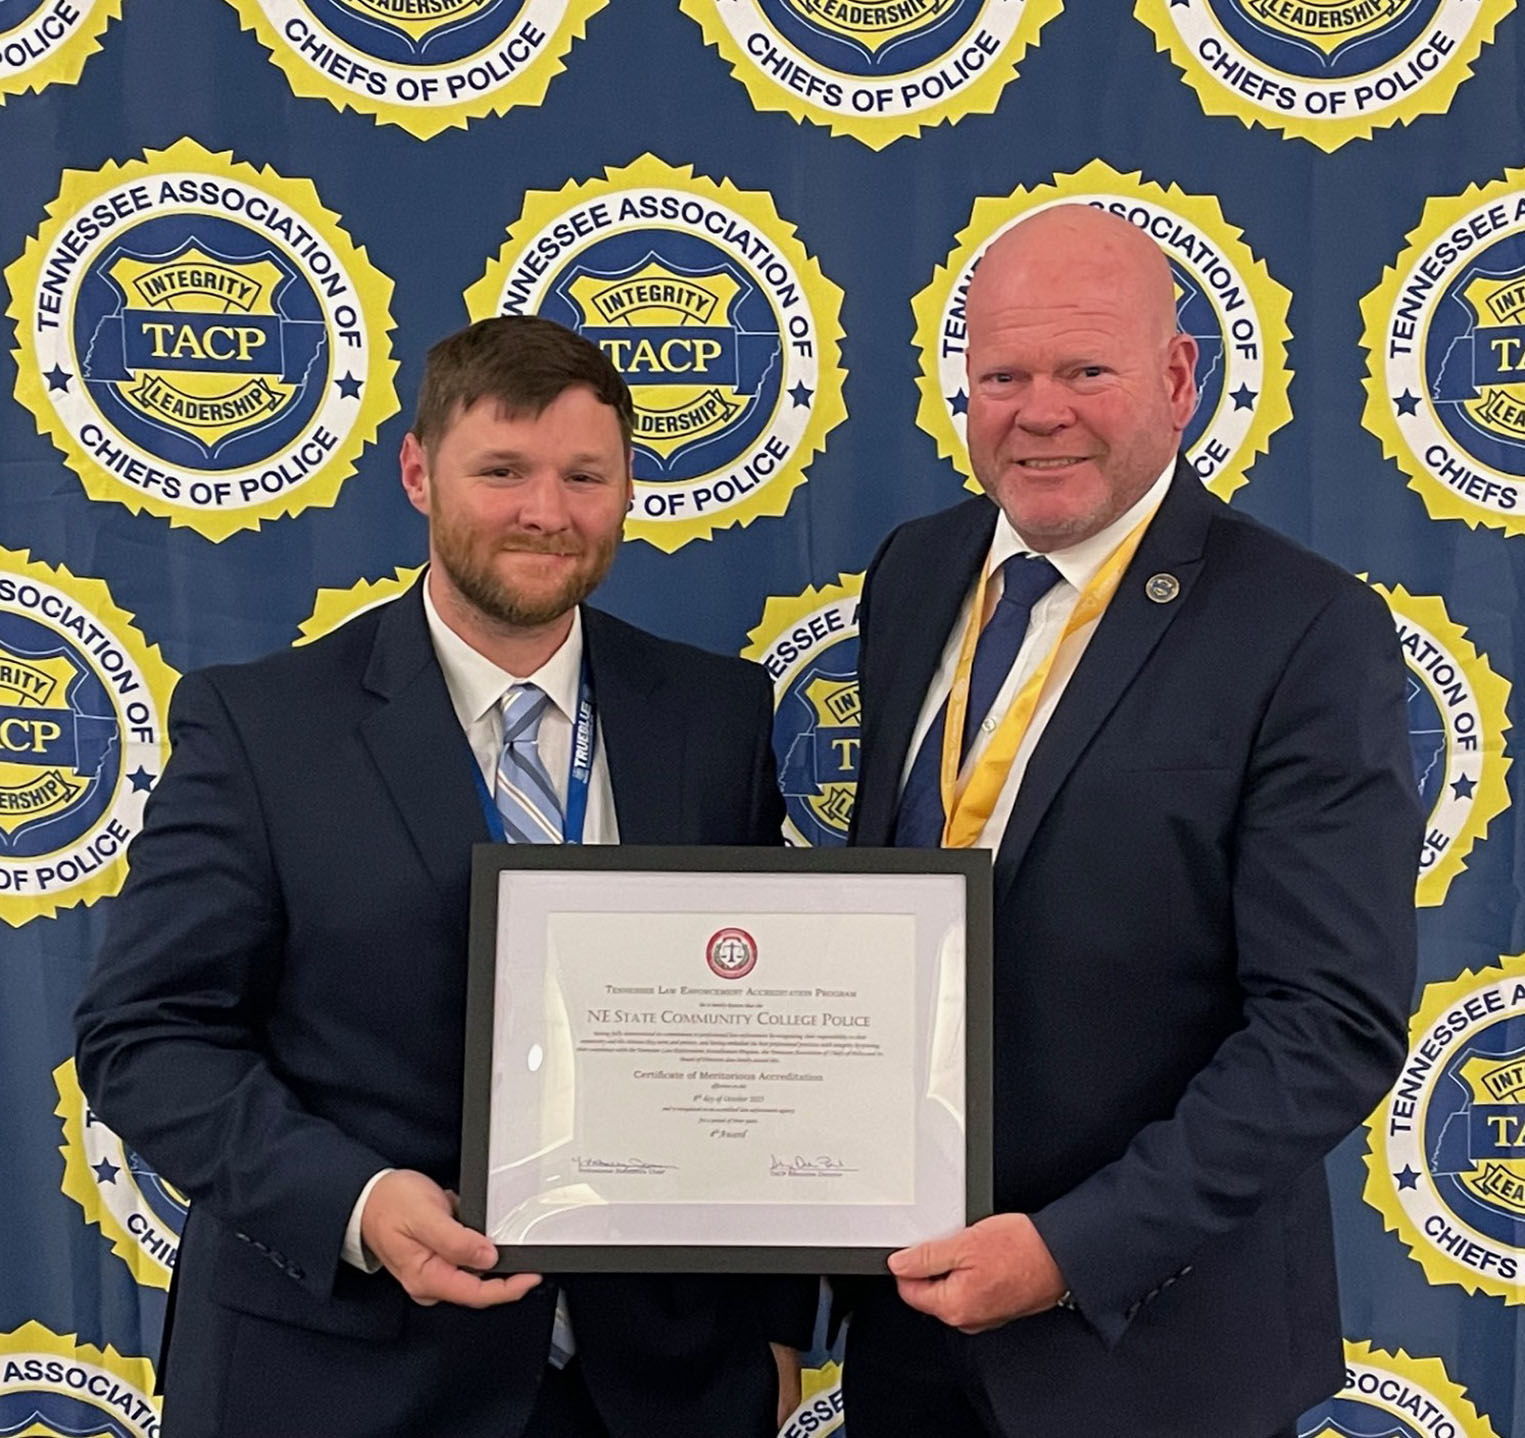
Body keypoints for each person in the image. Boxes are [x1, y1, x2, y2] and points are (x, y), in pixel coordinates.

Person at [75, 316, 812, 1438]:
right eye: (501, 471)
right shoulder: (262, 727)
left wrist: (775, 1319)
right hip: (341, 1378)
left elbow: (763, 1031)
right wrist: (358, 1202)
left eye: (584, 476)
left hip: (655, 1386)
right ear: (419, 473)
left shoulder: (716, 717)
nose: (546, 512)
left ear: (627, 487)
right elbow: (146, 1035)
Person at [840, 205, 1420, 1437]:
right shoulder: (915, 572)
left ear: (1177, 379)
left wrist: (1070, 1251)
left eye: (1085, 370)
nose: (1038, 411)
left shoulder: (1304, 629)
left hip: (1154, 1357)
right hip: (909, 1332)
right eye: (1003, 376)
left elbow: (1328, 1022)